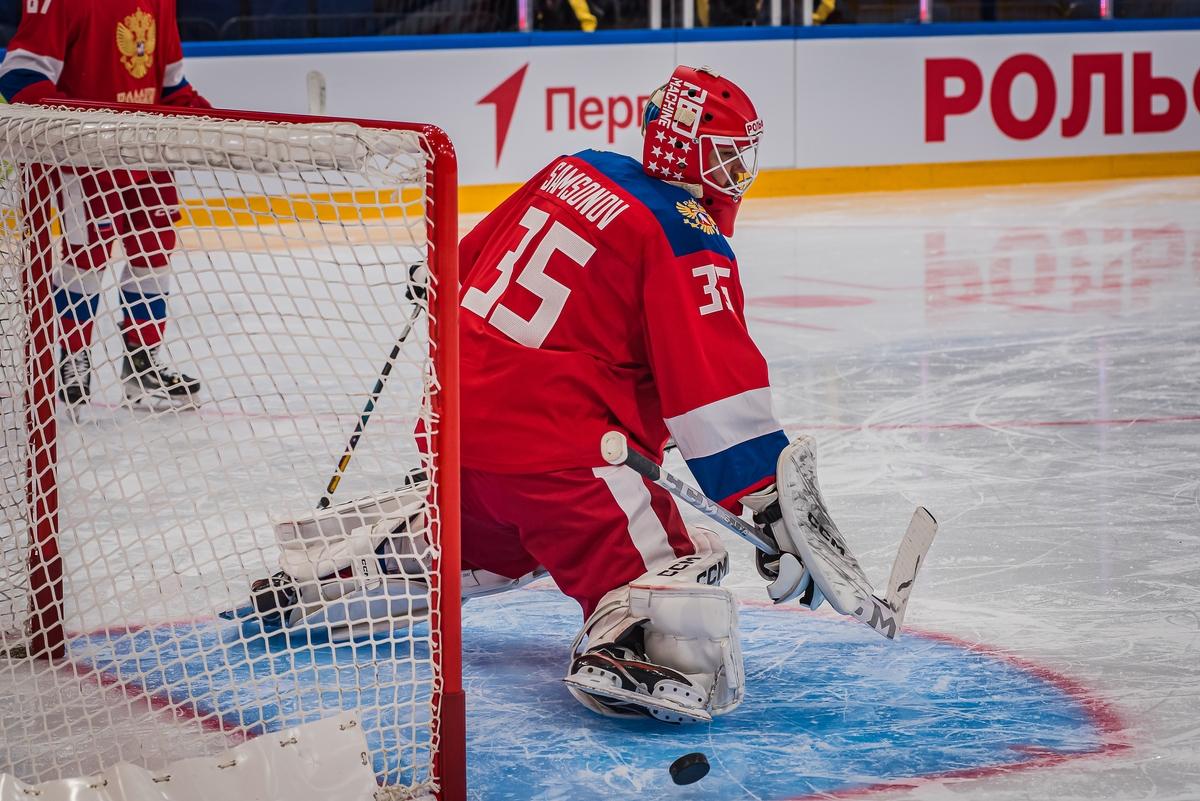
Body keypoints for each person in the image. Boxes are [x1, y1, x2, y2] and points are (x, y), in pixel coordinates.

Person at [244, 65, 822, 725]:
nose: (734, 173)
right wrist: (771, 502)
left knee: (496, 544)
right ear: (685, 151)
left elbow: (458, 263)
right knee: (688, 565)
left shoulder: (576, 167)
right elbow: (713, 391)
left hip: (456, 433)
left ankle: (326, 576)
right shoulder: (685, 232)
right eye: (724, 156)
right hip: (558, 457)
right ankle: (634, 649)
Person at [0, 0, 211, 407]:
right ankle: (72, 357)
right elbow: (21, 76)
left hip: (149, 156)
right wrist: (77, 128)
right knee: (85, 259)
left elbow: (172, 88)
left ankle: (142, 363)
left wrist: (216, 120)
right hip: (88, 160)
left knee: (154, 255)